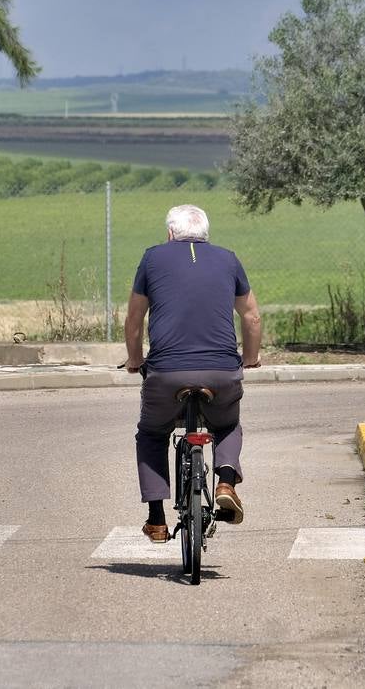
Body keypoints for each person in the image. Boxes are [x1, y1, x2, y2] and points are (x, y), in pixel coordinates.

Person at [124, 204, 261, 543]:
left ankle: (156, 520)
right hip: (221, 372)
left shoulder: (152, 258)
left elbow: (134, 318)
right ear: (206, 234)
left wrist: (134, 360)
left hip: (166, 372)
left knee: (153, 434)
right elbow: (252, 317)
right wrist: (250, 358)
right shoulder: (228, 259)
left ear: (170, 233)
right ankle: (226, 481)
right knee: (226, 424)